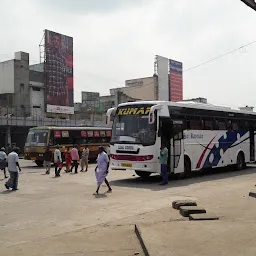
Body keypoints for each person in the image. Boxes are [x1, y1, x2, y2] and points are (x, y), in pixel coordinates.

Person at [45, 32, 68, 106]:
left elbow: (65, 80)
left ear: (60, 43)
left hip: (62, 95)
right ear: (51, 41)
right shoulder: (48, 55)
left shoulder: (62, 59)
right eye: (54, 39)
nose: (56, 42)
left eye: (58, 40)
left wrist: (66, 97)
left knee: (62, 115)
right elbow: (45, 76)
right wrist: (46, 94)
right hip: (52, 94)